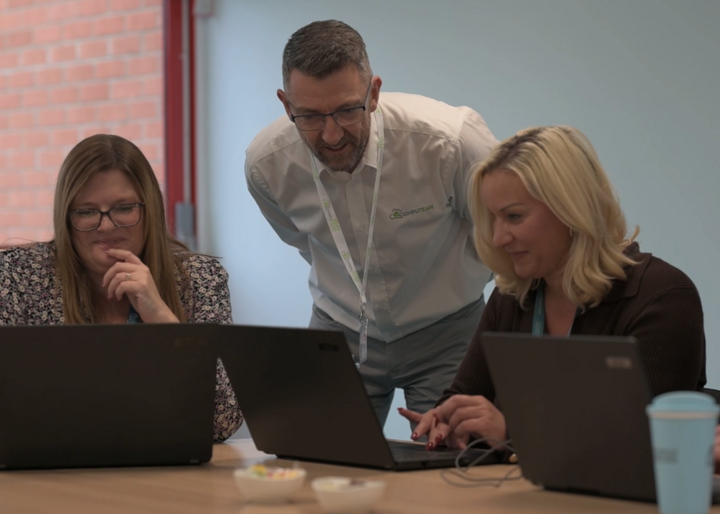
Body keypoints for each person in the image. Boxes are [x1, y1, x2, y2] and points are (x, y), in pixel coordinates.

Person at [245, 19, 498, 426]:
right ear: (286, 105)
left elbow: (503, 237)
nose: (330, 135)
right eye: (309, 116)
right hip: (339, 329)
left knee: (456, 462)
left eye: (347, 110)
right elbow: (303, 243)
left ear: (374, 92)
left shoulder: (449, 142)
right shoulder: (266, 166)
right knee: (323, 463)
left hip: (450, 332)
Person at [400, 125, 707, 450]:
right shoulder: (513, 296)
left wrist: (513, 433)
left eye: (514, 217)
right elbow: (464, 398)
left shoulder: (662, 298)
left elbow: (646, 447)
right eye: (493, 219)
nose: (498, 238)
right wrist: (448, 421)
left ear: (570, 209)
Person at [0, 134, 243, 443]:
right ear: (66, 217)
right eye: (86, 212)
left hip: (164, 470)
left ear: (149, 207)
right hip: (50, 471)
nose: (106, 226)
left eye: (123, 207)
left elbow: (223, 421)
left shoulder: (199, 279)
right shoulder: (18, 276)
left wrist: (164, 322)